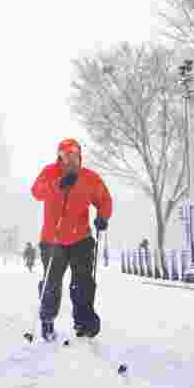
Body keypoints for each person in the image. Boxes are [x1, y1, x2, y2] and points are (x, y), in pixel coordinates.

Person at [31, 138, 113, 341]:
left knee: (83, 282)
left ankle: (84, 323)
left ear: (80, 157)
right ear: (59, 157)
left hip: (81, 239)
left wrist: (103, 216)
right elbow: (37, 192)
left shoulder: (89, 178)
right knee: (52, 283)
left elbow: (104, 199)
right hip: (53, 239)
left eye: (74, 157)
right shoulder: (49, 173)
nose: (71, 161)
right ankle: (47, 320)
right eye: (66, 157)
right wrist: (57, 185)